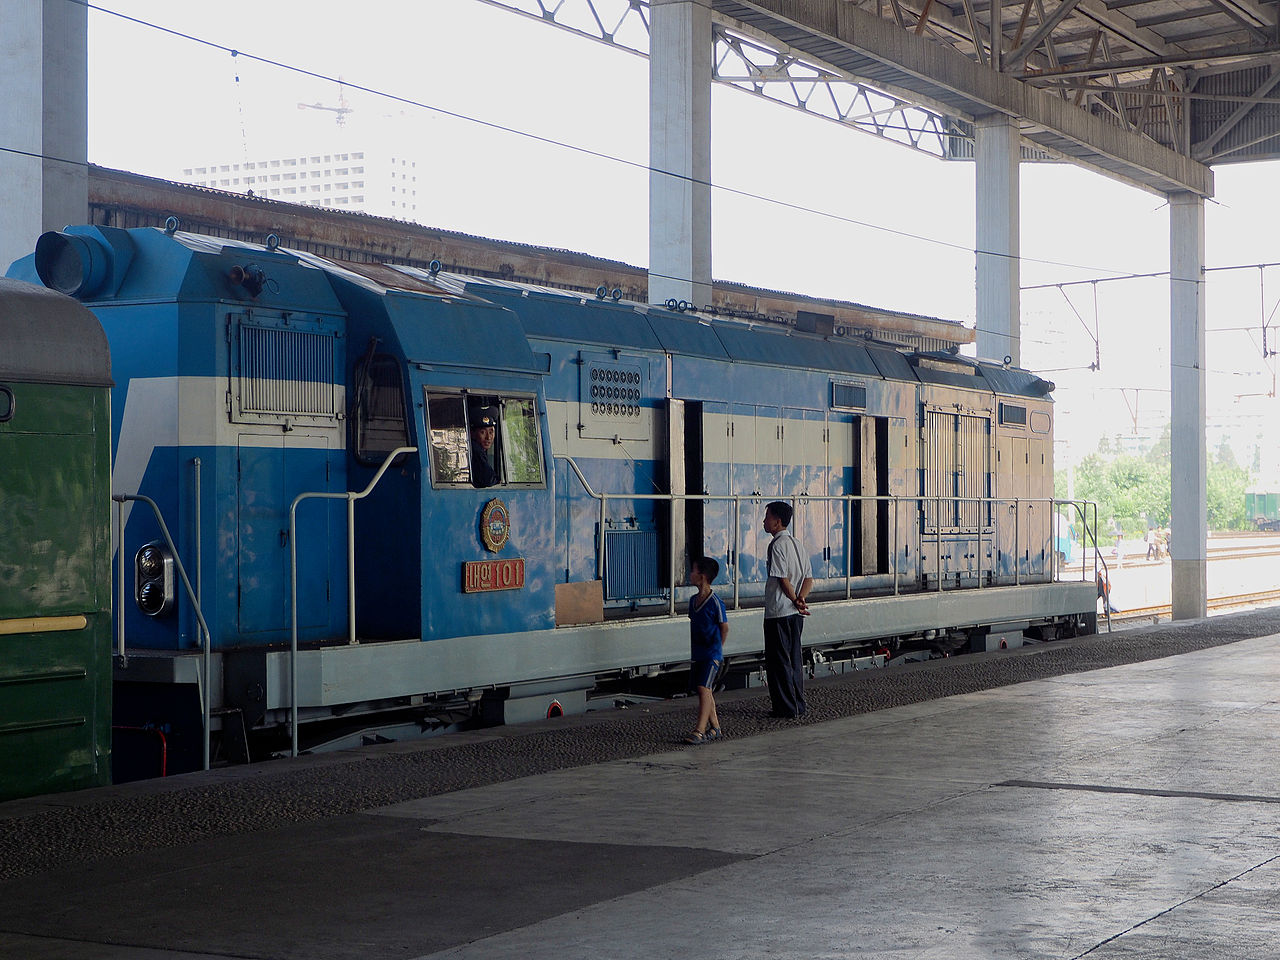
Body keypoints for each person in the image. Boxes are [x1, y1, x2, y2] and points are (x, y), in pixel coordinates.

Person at [762, 500, 813, 719]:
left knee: (778, 661)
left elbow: (782, 579)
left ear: (777, 521)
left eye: (767, 517)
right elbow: (809, 579)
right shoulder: (797, 544)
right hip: (794, 614)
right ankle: (798, 704)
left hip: (779, 612)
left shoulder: (776, 545)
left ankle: (785, 708)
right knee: (794, 659)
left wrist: (794, 600)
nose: (764, 521)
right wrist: (801, 599)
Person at [684, 556, 728, 745]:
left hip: (711, 654)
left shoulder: (715, 602)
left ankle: (699, 730)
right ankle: (715, 727)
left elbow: (724, 626)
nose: (690, 574)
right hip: (698, 653)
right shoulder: (693, 601)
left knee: (703, 688)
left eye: (693, 570)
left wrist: (718, 648)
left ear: (702, 576)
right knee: (706, 689)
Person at [469, 408, 500, 488]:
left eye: (491, 432)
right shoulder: (476, 451)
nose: (488, 437)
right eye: (483, 432)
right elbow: (489, 480)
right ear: (472, 433)